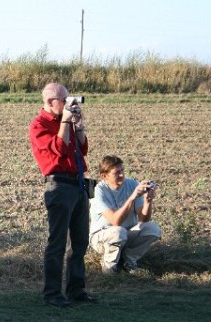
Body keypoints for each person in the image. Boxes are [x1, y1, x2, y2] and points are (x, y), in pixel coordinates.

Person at [29, 82, 97, 307]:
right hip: (59, 186)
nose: (70, 103)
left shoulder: (63, 121)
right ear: (50, 102)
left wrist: (79, 125)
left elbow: (82, 148)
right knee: (57, 243)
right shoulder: (39, 125)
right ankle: (52, 293)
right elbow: (58, 147)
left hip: (78, 185)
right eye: (64, 100)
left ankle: (76, 290)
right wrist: (66, 121)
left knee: (80, 242)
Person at [89, 155, 162, 274]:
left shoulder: (131, 184)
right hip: (102, 237)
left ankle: (128, 261)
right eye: (117, 173)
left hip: (125, 235)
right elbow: (115, 221)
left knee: (152, 229)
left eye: (122, 170)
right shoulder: (99, 191)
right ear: (104, 176)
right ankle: (109, 269)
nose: (122, 175)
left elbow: (144, 219)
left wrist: (148, 200)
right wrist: (132, 197)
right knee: (118, 232)